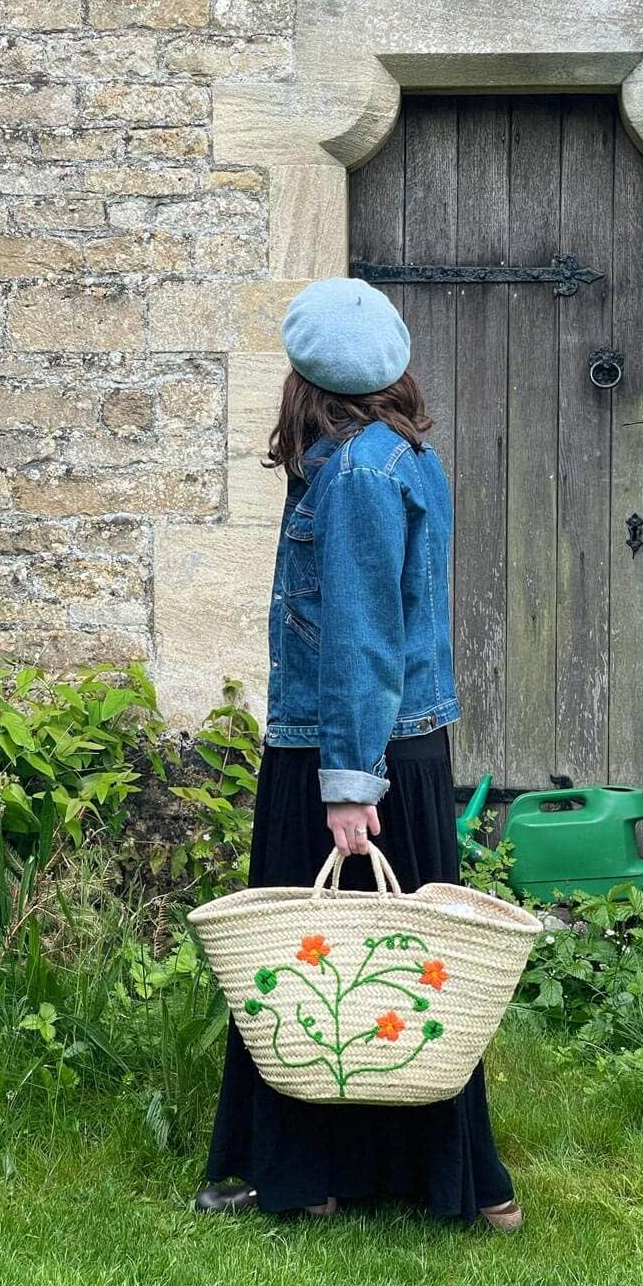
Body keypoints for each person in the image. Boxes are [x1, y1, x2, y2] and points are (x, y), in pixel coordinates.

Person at [194, 277, 522, 1231]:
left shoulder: (357, 477)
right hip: (389, 747)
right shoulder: (400, 457)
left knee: (302, 969)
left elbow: (363, 637)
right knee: (399, 968)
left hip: (347, 750)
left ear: (305, 380)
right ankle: (423, 1177)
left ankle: (298, 1174)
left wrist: (346, 784)